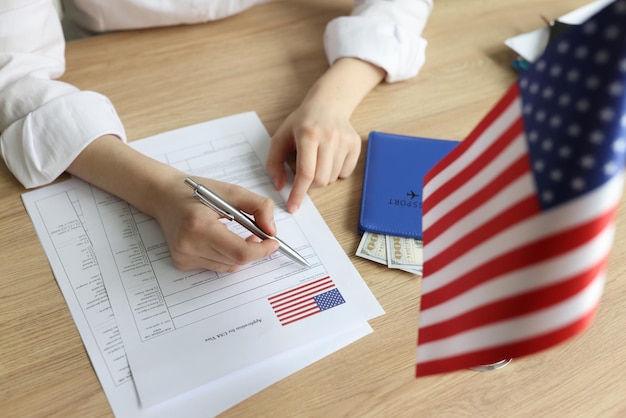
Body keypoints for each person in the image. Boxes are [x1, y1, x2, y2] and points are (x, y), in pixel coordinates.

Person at [0, 0, 432, 272]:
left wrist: (332, 101)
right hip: (111, 48)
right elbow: (12, 73)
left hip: (260, 36)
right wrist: (161, 190)